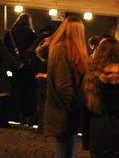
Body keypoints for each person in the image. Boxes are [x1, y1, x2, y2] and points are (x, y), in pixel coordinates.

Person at [36, 16, 89, 158]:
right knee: (64, 152)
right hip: (64, 111)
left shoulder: (68, 49)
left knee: (65, 150)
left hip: (66, 110)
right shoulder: (62, 50)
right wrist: (74, 105)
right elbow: (63, 85)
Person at [3, 12, 38, 124]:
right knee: (26, 90)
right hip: (26, 67)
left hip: (13, 66)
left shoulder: (10, 33)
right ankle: (25, 113)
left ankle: (14, 113)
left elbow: (5, 50)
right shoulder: (31, 34)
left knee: (14, 88)